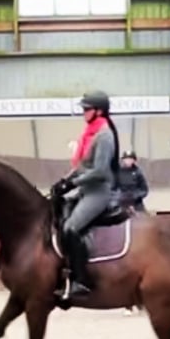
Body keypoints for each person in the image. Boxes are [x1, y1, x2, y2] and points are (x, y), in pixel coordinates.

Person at [51, 90, 120, 300]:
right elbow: (82, 166)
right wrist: (64, 182)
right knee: (56, 211)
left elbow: (99, 171)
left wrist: (73, 182)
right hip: (85, 190)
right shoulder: (90, 133)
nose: (83, 112)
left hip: (99, 192)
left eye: (86, 109)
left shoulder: (105, 136)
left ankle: (82, 281)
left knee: (71, 227)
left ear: (98, 111)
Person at [117, 149, 149, 214]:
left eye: (130, 159)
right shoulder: (117, 172)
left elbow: (144, 189)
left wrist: (136, 195)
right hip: (121, 202)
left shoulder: (138, 172)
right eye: (126, 159)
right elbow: (113, 188)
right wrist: (120, 196)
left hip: (136, 202)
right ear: (123, 160)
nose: (128, 161)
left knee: (145, 219)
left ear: (134, 160)